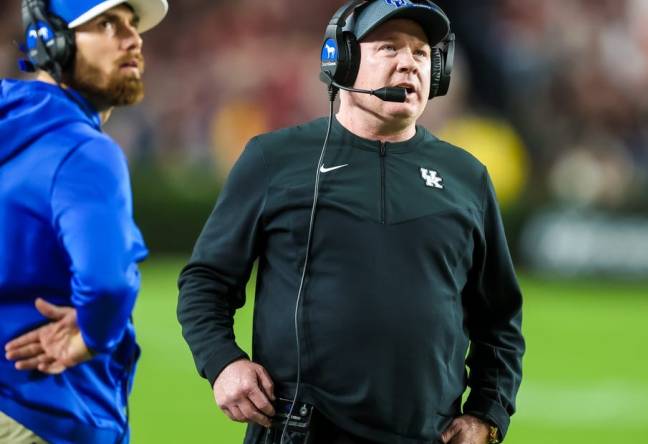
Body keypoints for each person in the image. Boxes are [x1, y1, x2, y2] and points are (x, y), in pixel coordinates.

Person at [177, 1, 524, 443]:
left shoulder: (466, 176)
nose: (409, 63)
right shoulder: (273, 159)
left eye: (421, 53)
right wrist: (223, 363)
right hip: (297, 432)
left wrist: (487, 414)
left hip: (427, 436)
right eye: (389, 48)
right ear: (339, 60)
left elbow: (499, 320)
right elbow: (206, 282)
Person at [0, 0, 167, 443]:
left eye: (131, 25)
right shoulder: (84, 149)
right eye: (107, 24)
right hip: (48, 413)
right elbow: (107, 283)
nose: (133, 39)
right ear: (47, 41)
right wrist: (91, 334)